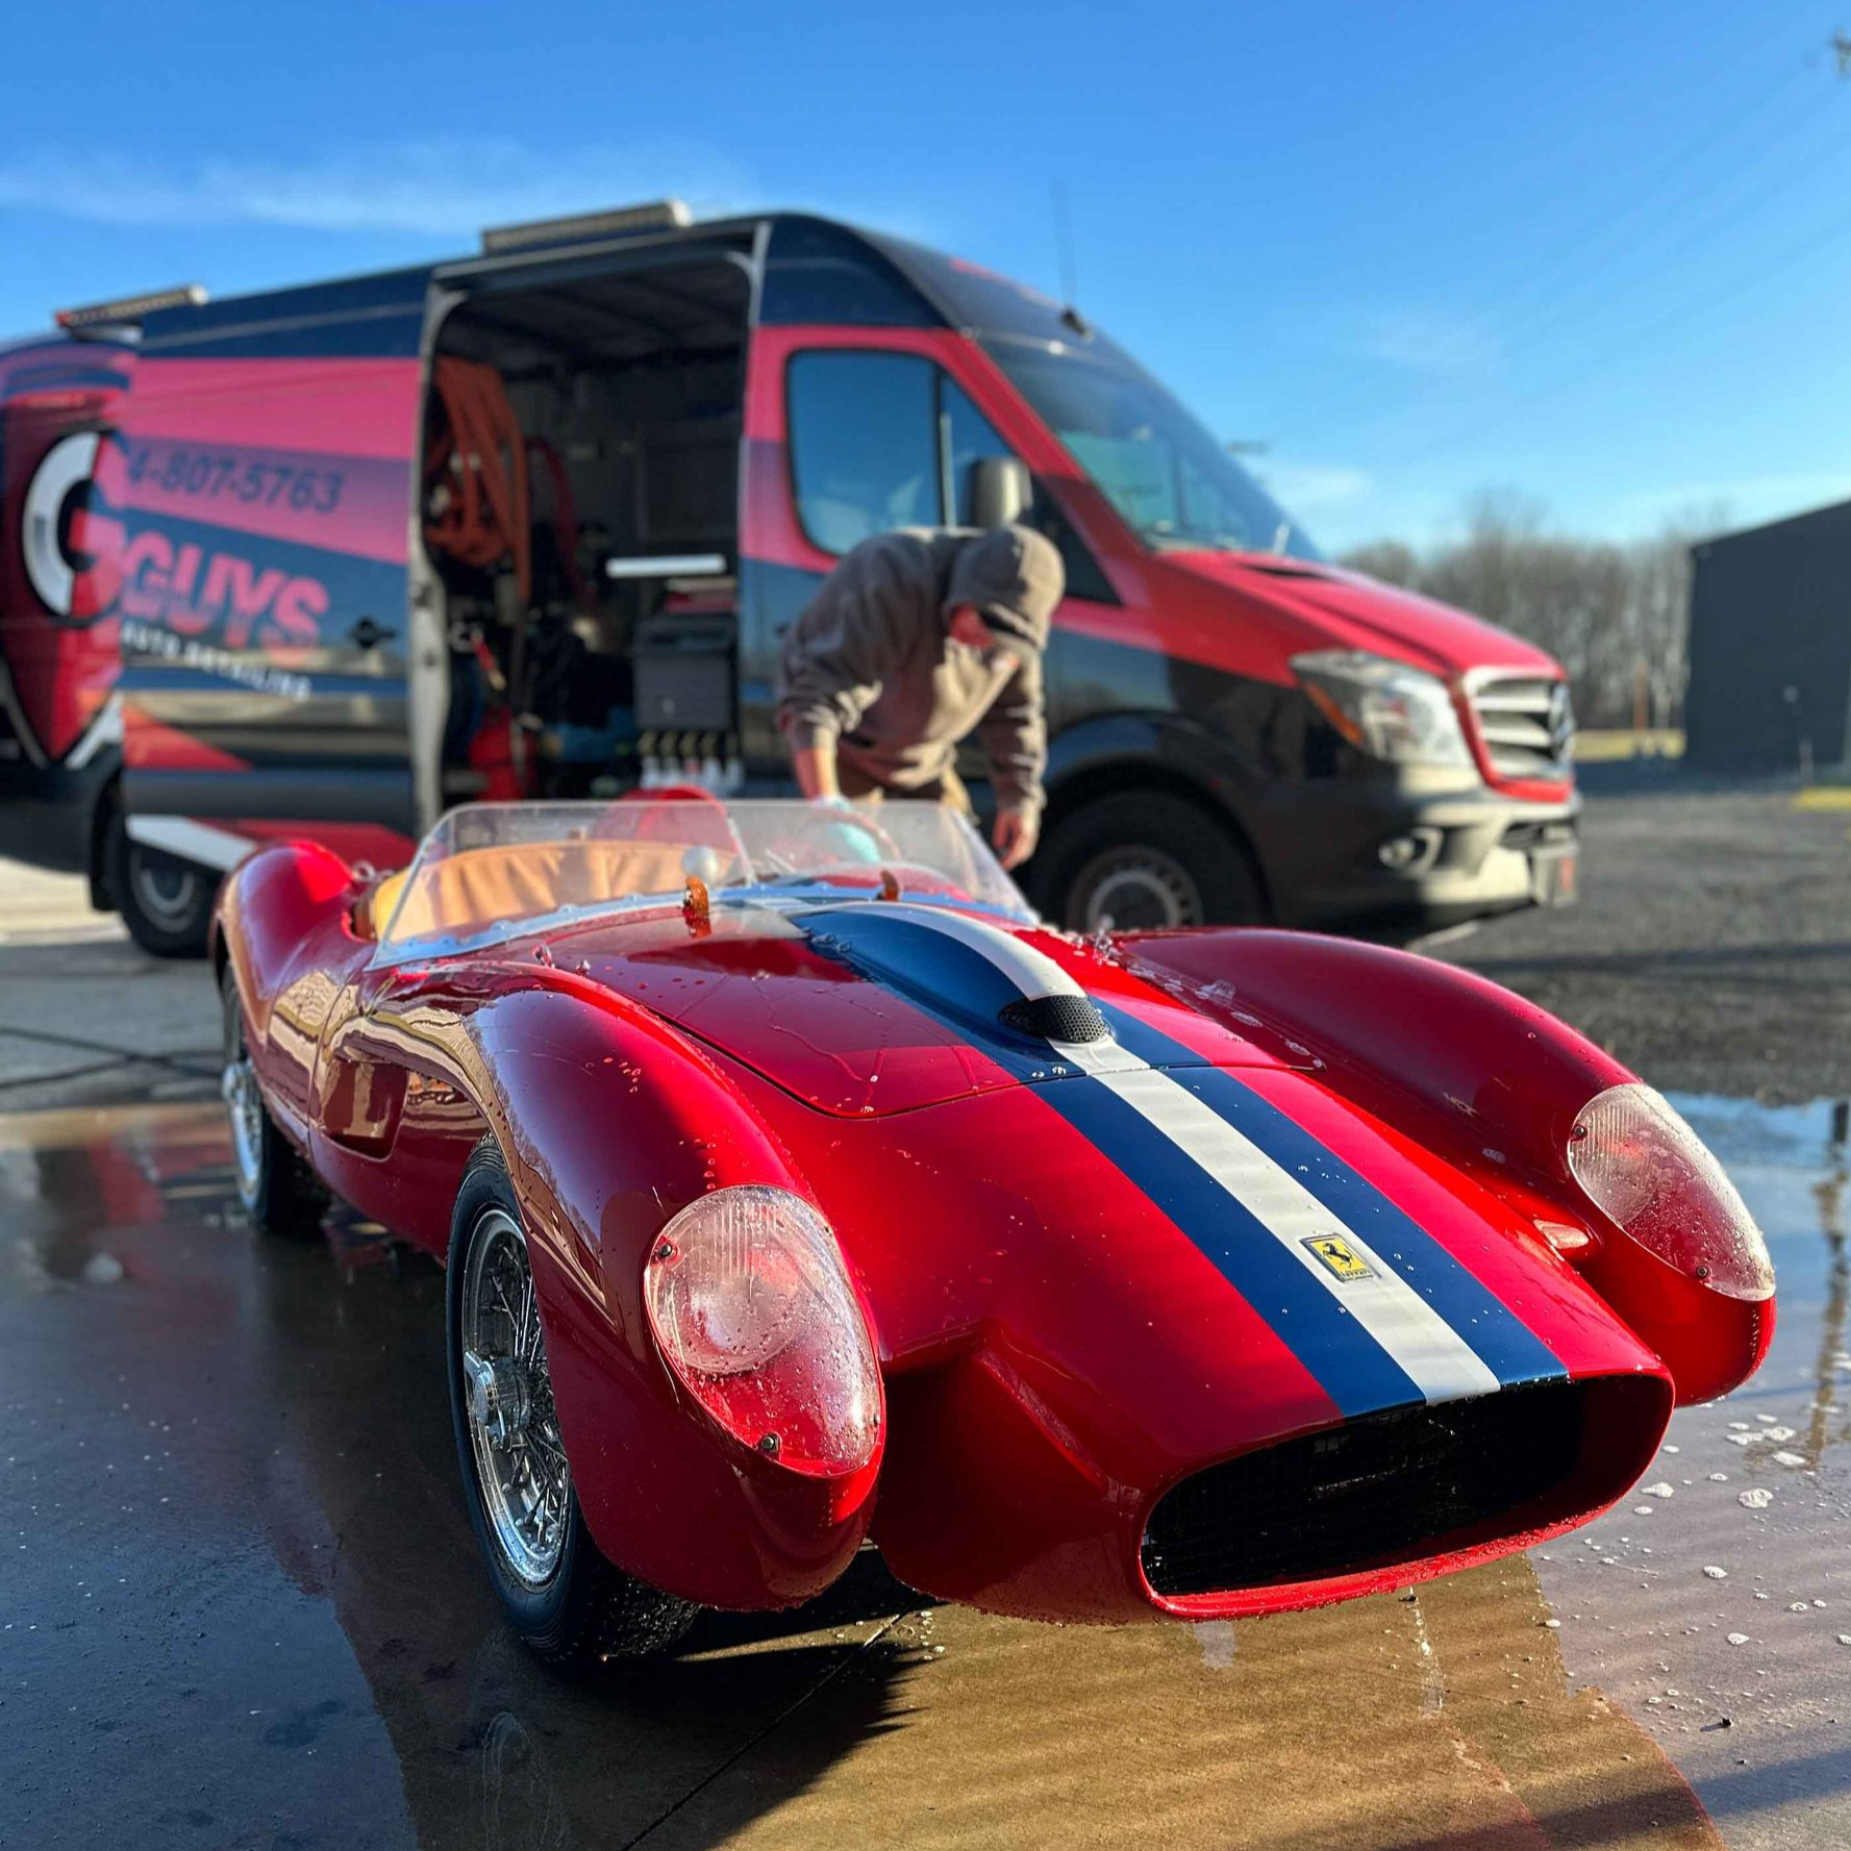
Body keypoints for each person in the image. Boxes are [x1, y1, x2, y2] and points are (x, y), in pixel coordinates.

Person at [775, 524, 1064, 869]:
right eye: (983, 624)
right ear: (966, 590)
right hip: (847, 753)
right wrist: (827, 805)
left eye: (999, 641)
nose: (985, 643)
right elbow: (816, 695)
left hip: (926, 761)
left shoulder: (1013, 637)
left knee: (960, 884)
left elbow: (1015, 714)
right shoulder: (891, 574)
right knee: (855, 884)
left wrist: (1020, 800)